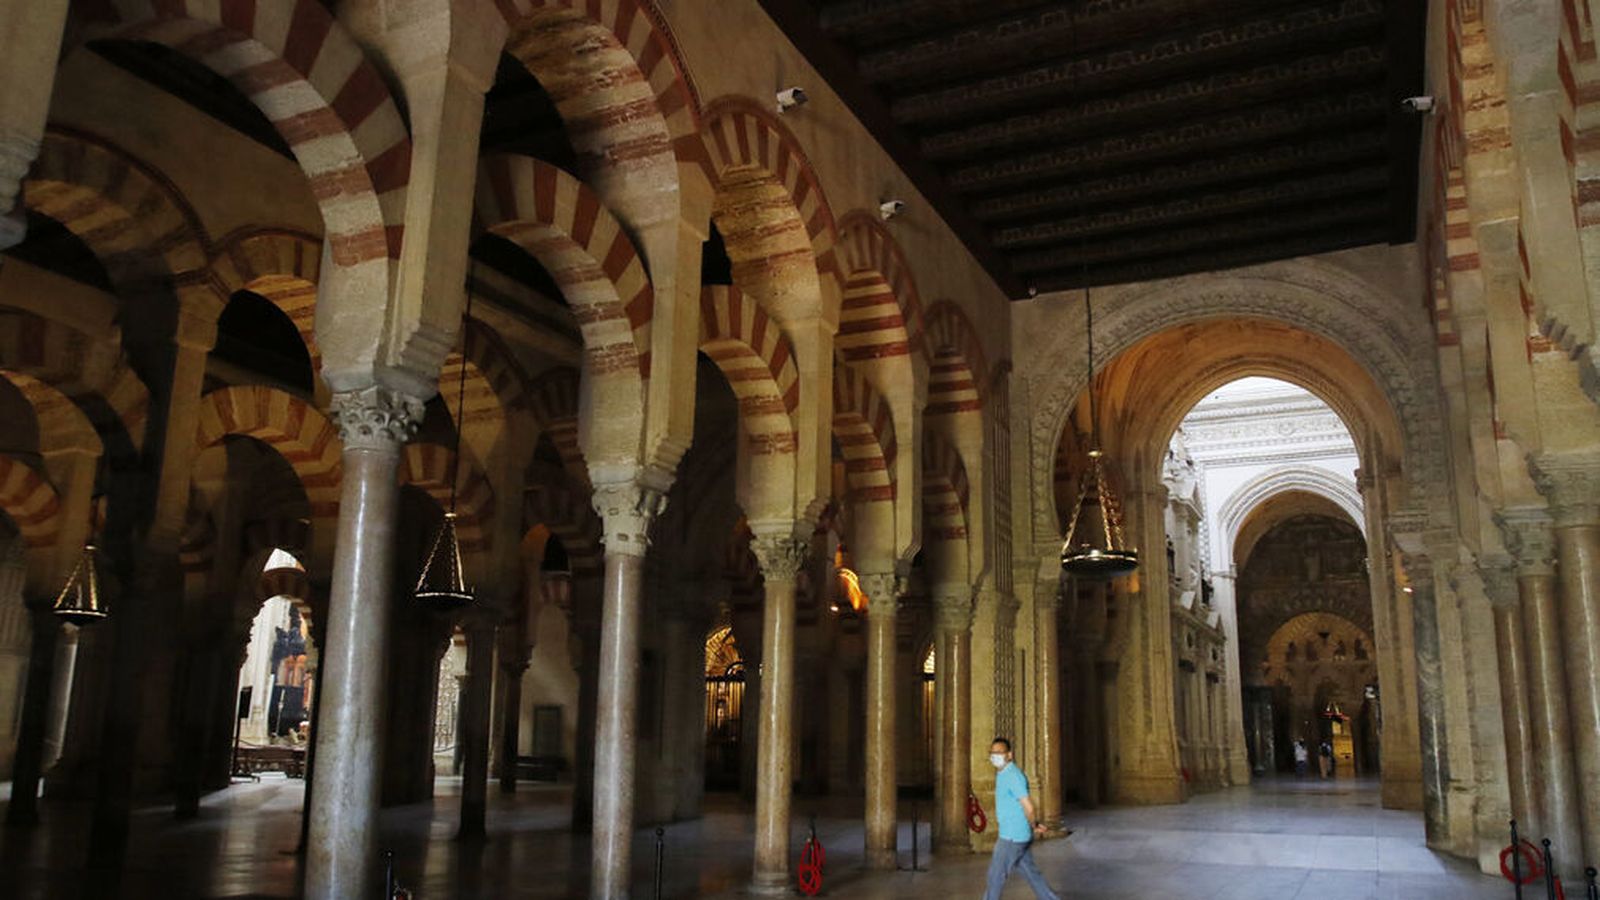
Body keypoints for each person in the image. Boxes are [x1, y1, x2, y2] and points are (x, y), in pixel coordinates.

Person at [982, 737, 1060, 900]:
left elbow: (1029, 807)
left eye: (999, 752)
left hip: (1011, 837)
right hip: (1019, 836)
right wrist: (1033, 825)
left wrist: (1033, 824)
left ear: (1009, 755)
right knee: (1031, 873)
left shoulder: (1013, 775)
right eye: (992, 752)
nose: (995, 756)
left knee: (995, 877)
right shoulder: (1003, 773)